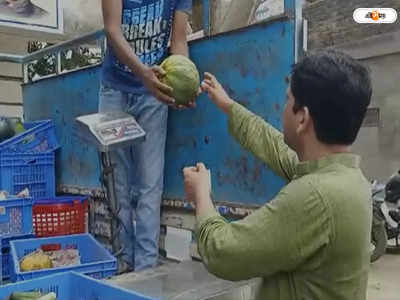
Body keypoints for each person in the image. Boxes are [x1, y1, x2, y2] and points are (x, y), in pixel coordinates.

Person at [184, 50, 373, 299]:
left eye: (287, 101)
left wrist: (202, 198)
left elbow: (223, 252)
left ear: (302, 118)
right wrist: (228, 106)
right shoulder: (346, 178)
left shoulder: (314, 196)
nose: (283, 109)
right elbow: (275, 147)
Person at [100, 0, 195, 272]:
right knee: (116, 182)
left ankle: (146, 270)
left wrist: (182, 86)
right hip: (115, 90)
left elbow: (178, 42)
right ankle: (122, 262)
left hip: (154, 94)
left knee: (150, 185)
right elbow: (111, 30)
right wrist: (143, 73)